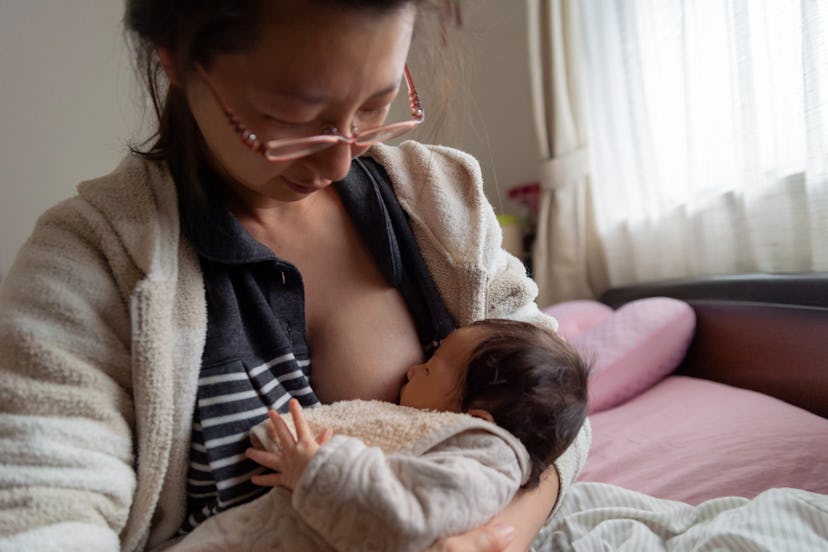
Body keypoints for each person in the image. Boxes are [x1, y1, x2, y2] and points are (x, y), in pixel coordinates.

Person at [0, 1, 591, 550]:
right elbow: (46, 514)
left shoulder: (442, 204)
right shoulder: (91, 261)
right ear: (174, 57)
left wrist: (497, 534)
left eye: (373, 105)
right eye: (296, 119)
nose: (340, 161)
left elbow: (554, 411)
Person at [169, 319, 590, 551]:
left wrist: (317, 469)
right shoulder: (470, 448)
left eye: (430, 368)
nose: (411, 370)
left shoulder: (486, 461)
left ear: (476, 417)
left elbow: (406, 514)